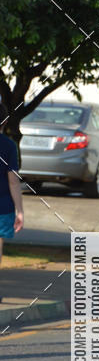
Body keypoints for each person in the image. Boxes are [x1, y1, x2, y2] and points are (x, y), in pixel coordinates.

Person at [0, 103, 25, 297]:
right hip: (3, 206)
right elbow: (13, 181)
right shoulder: (9, 146)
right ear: (6, 121)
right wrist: (20, 211)